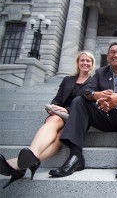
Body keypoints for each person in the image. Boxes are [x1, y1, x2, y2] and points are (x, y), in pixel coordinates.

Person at [48, 42, 117, 179]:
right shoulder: (100, 72)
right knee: (79, 101)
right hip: (104, 116)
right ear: (107, 57)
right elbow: (86, 91)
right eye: (112, 52)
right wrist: (98, 96)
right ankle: (76, 156)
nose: (115, 55)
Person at [0, 51, 95, 188]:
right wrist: (53, 107)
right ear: (78, 63)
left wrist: (67, 110)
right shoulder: (68, 80)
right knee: (55, 120)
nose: (85, 63)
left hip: (78, 116)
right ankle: (32, 155)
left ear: (92, 64)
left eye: (88, 61)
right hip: (59, 116)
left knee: (60, 137)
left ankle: (20, 163)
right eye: (82, 60)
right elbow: (57, 98)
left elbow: (90, 104)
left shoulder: (94, 82)